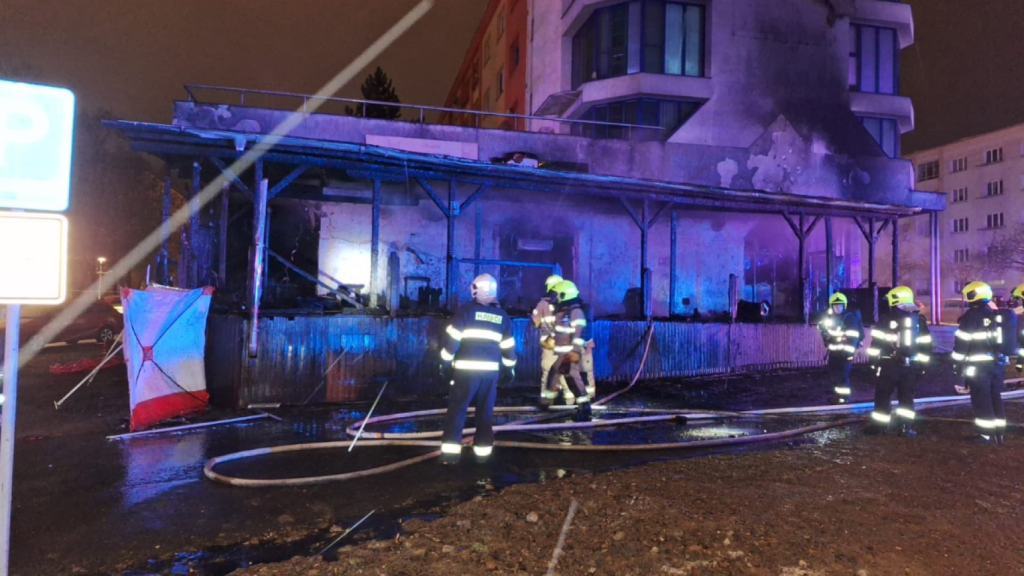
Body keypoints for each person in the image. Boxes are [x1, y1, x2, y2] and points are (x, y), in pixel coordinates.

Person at [438, 273, 517, 464]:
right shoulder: (503, 316)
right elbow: (508, 349)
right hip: (490, 374)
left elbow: (452, 343)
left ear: (475, 290)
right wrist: (509, 371)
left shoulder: (465, 311)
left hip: (465, 372)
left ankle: (450, 455)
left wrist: (445, 364)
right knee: (485, 412)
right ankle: (482, 456)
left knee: (458, 409)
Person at [865, 286, 932, 436]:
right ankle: (905, 428)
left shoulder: (885, 319)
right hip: (911, 366)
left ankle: (879, 427)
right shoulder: (919, 321)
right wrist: (922, 367)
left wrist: (874, 363)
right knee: (907, 398)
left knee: (883, 395)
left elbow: (876, 344)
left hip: (888, 364)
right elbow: (926, 346)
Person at [951, 281, 1008, 445]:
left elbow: (962, 344)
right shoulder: (995, 313)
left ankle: (987, 435)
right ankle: (999, 434)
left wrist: (956, 365)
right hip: (997, 365)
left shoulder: (971, 316)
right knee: (995, 397)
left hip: (979, 366)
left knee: (981, 399)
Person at [542, 280, 592, 421]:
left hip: (569, 354)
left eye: (556, 295)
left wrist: (575, 351)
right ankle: (547, 402)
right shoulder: (563, 312)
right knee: (557, 375)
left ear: (564, 295)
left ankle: (585, 408)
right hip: (563, 354)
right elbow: (559, 331)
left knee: (573, 379)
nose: (554, 298)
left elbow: (578, 333)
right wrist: (551, 339)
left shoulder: (575, 312)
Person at [531, 275, 574, 405]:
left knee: (548, 371)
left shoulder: (542, 304)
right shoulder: (568, 304)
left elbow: (535, 322)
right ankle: (570, 398)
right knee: (564, 370)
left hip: (548, 344)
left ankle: (546, 399)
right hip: (564, 343)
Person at [817, 292, 863, 404]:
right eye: (836, 305)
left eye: (840, 305)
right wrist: (823, 331)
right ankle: (837, 396)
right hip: (834, 353)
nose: (838, 308)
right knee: (834, 376)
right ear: (832, 306)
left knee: (842, 376)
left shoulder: (849, 318)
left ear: (844, 305)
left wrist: (848, 354)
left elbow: (853, 337)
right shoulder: (831, 318)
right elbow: (823, 328)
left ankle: (844, 398)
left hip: (845, 354)